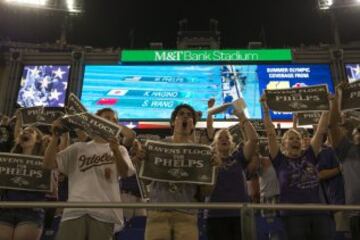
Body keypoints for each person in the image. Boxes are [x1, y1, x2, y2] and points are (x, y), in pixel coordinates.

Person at [43, 108, 135, 240]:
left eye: (115, 120)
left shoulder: (120, 149)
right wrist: (55, 136)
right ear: (95, 121)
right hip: (75, 211)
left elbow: (125, 173)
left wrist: (115, 151)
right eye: (107, 118)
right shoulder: (79, 147)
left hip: (104, 212)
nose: (111, 122)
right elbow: (48, 164)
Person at [133, 104, 211, 240]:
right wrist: (139, 161)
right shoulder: (156, 145)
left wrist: (212, 169)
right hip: (158, 211)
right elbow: (146, 180)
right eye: (181, 114)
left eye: (189, 115)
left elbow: (206, 191)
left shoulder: (201, 152)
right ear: (173, 122)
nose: (185, 116)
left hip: (187, 214)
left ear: (193, 125)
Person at [261, 95, 334, 240]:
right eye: (291, 139)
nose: (295, 141)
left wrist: (328, 105)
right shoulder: (279, 159)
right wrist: (266, 109)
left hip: (318, 212)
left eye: (297, 139)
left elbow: (320, 131)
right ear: (283, 144)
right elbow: (270, 132)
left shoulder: (309, 155)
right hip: (293, 215)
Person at [206, 107, 258, 240]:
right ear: (214, 144)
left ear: (232, 143)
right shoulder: (209, 159)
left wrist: (242, 117)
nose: (224, 139)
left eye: (227, 138)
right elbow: (210, 126)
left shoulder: (238, 157)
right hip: (215, 214)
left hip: (239, 213)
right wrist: (210, 113)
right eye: (220, 138)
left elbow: (253, 140)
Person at [0, 124, 46, 240]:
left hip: (31, 211)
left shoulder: (45, 160)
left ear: (38, 139)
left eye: (30, 131)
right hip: (6, 209)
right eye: (23, 132)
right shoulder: (7, 159)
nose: (25, 133)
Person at [328, 82, 360, 239]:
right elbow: (332, 125)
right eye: (357, 131)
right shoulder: (347, 150)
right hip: (356, 211)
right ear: (353, 136)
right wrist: (336, 100)